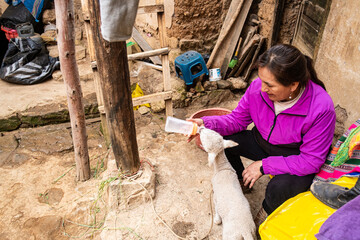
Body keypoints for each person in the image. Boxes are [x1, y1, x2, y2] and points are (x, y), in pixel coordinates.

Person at [188, 44, 336, 226]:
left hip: (296, 156)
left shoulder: (321, 107)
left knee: (278, 188)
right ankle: (242, 181)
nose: (262, 88)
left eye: (270, 84)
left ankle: (265, 212)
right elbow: (236, 120)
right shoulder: (257, 88)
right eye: (261, 80)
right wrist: (206, 123)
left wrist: (264, 166)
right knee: (225, 143)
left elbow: (311, 160)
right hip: (262, 142)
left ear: (293, 85)